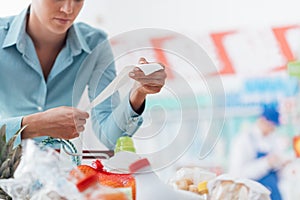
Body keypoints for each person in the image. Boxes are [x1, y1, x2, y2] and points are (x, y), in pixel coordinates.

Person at [0, 0, 166, 150]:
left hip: (58, 174)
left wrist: (138, 94)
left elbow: (110, 138)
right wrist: (33, 125)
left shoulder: (95, 44)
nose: (68, 9)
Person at [228, 104, 290, 200]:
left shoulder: (272, 140)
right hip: (252, 195)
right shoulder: (244, 140)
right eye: (271, 126)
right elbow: (239, 174)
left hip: (273, 194)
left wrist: (281, 165)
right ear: (263, 121)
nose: (272, 130)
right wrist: (266, 163)